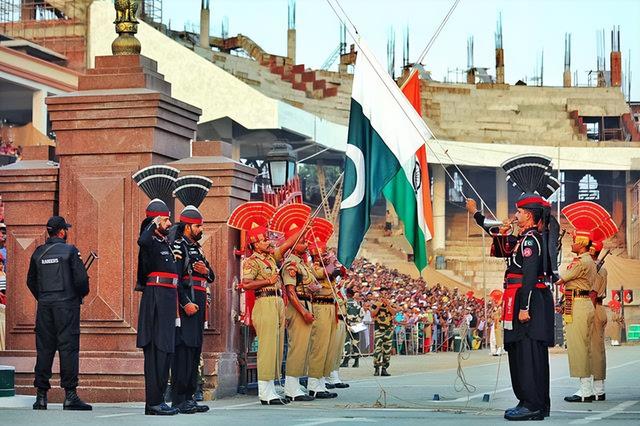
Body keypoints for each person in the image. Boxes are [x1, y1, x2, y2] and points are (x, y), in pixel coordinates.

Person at [467, 191, 555, 421]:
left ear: (528, 215)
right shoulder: (524, 238)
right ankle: (532, 402)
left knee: (527, 352)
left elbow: (528, 275)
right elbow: (496, 234)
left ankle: (532, 403)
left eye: (518, 212)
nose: (514, 215)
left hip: (527, 300)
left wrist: (524, 307)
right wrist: (475, 213)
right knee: (523, 351)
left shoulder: (530, 240)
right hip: (521, 298)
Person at [231, 201, 303, 405]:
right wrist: (266, 281)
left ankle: (272, 387)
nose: (268, 242)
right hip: (264, 302)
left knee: (278, 346)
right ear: (254, 243)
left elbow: (288, 243)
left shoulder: (271, 258)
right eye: (263, 240)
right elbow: (245, 283)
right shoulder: (252, 262)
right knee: (268, 346)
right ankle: (265, 390)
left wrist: (303, 226)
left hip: (278, 301)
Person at [26, 216, 92, 411]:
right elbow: (81, 282)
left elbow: (31, 281)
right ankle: (70, 396)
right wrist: (76, 295)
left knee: (44, 349)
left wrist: (45, 297)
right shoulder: (70, 251)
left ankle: (41, 397)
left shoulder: (38, 253)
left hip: (45, 306)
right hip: (67, 307)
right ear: (62, 232)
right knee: (68, 348)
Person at [136, 200, 180, 415]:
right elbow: (142, 241)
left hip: (167, 298)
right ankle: (153, 402)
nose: (169, 223)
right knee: (157, 350)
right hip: (156, 297)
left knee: (165, 350)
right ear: (156, 220)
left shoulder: (163, 242)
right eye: (166, 219)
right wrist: (152, 222)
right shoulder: (150, 240)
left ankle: (157, 400)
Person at [170, 204, 215, 413]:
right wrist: (185, 302)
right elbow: (176, 280)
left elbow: (211, 276)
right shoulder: (180, 247)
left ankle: (189, 397)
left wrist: (206, 271)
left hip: (199, 305)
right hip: (187, 305)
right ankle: (179, 399)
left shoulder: (197, 248)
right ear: (188, 226)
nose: (201, 229)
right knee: (184, 351)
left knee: (195, 349)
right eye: (198, 226)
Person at [555, 231, 597, 402]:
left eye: (574, 241)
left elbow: (561, 279)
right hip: (583, 302)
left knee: (578, 347)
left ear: (581, 243)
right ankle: (588, 387)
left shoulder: (581, 262)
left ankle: (585, 391)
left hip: (578, 305)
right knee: (585, 347)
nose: (571, 244)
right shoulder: (589, 261)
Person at [589, 240, 607, 401]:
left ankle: (598, 389)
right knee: (594, 349)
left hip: (594, 308)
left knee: (595, 350)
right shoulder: (598, 268)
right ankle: (595, 388)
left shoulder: (597, 269)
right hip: (597, 307)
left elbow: (593, 294)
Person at [371, 291, 397, 376]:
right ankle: (376, 368)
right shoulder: (376, 304)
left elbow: (394, 313)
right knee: (377, 350)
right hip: (379, 329)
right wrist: (378, 307)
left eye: (386, 294)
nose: (384, 296)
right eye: (382, 294)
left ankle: (384, 368)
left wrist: (388, 305)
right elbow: (372, 314)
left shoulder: (392, 304)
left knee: (387, 350)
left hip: (388, 330)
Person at [341, 287, 364, 368]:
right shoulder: (358, 305)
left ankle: (346, 361)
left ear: (347, 294)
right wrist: (357, 322)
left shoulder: (345, 304)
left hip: (347, 325)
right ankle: (356, 361)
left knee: (346, 342)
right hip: (356, 326)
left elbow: (342, 314)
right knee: (355, 343)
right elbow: (362, 315)